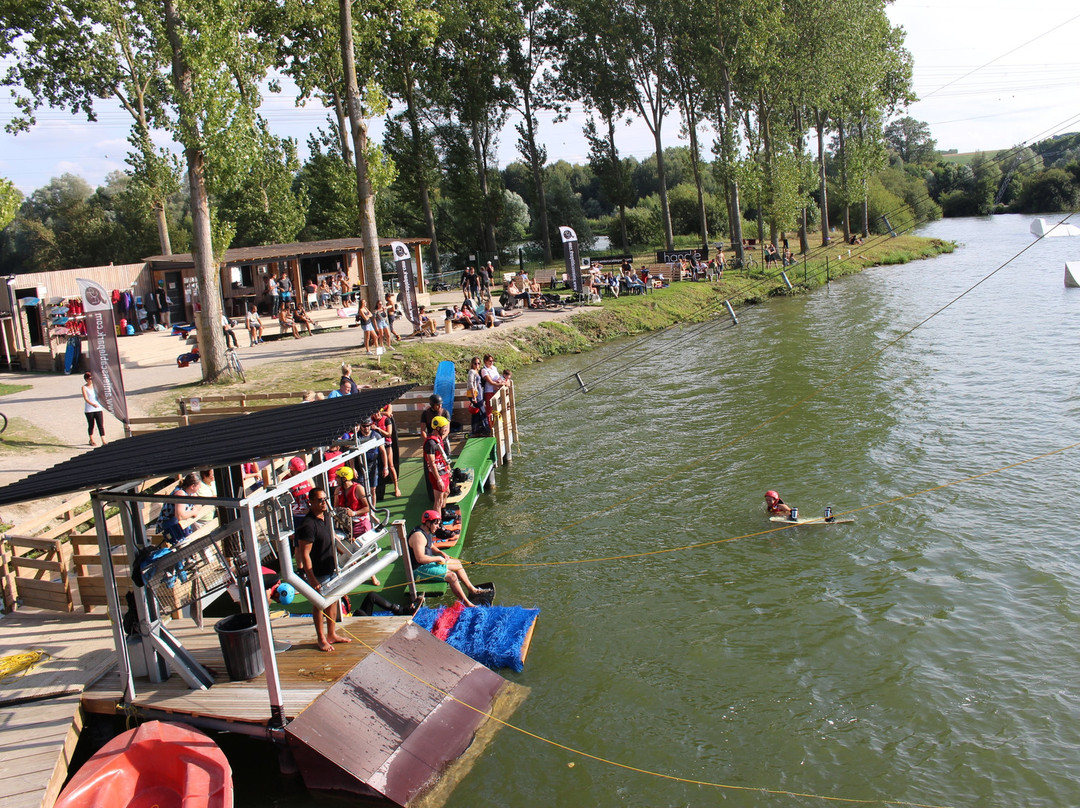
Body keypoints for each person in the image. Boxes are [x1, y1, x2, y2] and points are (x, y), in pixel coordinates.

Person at [295, 487, 351, 652]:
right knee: (319, 605)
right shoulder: (308, 525)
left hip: (331, 568)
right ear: (310, 502)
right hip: (318, 572)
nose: (323, 503)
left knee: (332, 601)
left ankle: (331, 634)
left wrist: (344, 552)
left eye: (325, 499)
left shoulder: (326, 518)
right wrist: (311, 578)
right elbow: (305, 554)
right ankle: (321, 639)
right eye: (319, 500)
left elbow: (330, 539)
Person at [409, 510, 491, 607]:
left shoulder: (426, 531)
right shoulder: (418, 536)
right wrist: (438, 558)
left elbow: (429, 545)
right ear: (427, 523)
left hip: (427, 564)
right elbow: (420, 559)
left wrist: (440, 552)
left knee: (457, 563)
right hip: (419, 570)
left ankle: (472, 590)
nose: (438, 527)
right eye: (436, 524)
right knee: (452, 576)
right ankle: (467, 604)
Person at [156, 472, 201, 544]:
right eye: (198, 487)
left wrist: (194, 510)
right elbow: (179, 516)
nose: (199, 489)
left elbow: (199, 504)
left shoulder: (191, 492)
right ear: (192, 486)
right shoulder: (180, 493)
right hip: (168, 527)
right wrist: (193, 512)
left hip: (181, 526)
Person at [356, 417, 390, 499]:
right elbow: (351, 455)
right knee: (362, 490)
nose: (366, 428)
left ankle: (372, 510)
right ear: (361, 426)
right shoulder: (357, 436)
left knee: (373, 489)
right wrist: (353, 468)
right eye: (364, 426)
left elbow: (383, 452)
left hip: (373, 465)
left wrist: (386, 467)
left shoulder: (376, 435)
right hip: (360, 466)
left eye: (368, 426)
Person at [424, 416, 452, 512]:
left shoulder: (439, 438)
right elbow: (431, 463)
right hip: (436, 473)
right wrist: (438, 479)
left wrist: (448, 468)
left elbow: (442, 456)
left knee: (447, 491)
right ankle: (437, 522)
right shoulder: (430, 443)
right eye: (444, 427)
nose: (446, 429)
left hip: (443, 469)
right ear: (438, 428)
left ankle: (443, 513)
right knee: (438, 500)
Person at [334, 466, 372, 538]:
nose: (335, 479)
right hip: (344, 526)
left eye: (338, 477)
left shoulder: (358, 489)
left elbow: (368, 507)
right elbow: (336, 508)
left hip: (360, 524)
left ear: (344, 478)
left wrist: (354, 513)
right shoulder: (337, 490)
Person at [82, 371, 106, 446]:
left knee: (100, 425)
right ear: (86, 379)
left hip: (98, 408)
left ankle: (103, 440)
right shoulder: (84, 387)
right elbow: (86, 398)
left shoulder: (96, 386)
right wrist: (92, 404)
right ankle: (91, 439)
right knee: (91, 425)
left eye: (92, 379)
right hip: (89, 409)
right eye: (89, 379)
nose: (91, 380)